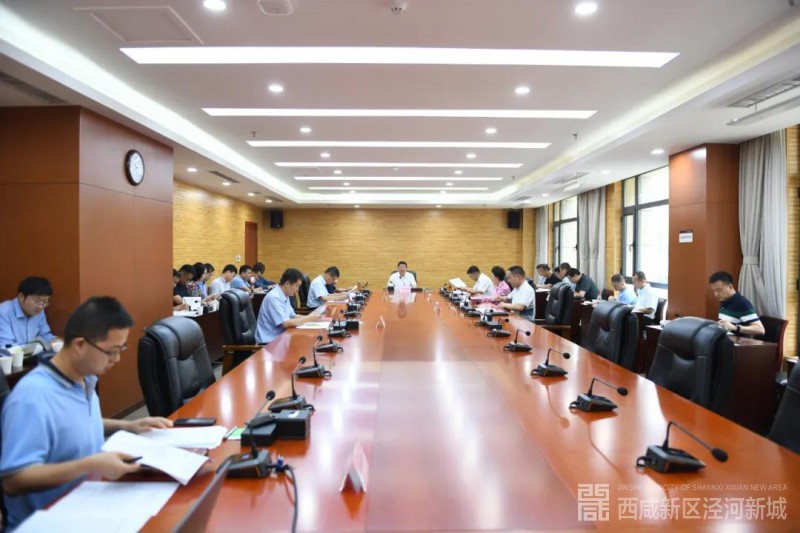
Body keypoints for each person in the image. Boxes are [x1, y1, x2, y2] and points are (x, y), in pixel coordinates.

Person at [0, 296, 172, 528]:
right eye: (111, 351)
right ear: (80, 345)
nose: (116, 359)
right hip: (49, 521)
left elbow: (73, 423)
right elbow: (13, 480)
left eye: (121, 349)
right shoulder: (32, 397)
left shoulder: (85, 378)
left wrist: (128, 426)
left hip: (89, 499)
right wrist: (90, 465)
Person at [255, 268, 324, 344]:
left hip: (282, 337)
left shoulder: (284, 295)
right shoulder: (274, 297)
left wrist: (311, 317)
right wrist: (308, 319)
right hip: (269, 342)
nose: (298, 290)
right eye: (297, 286)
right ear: (287, 284)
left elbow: (292, 316)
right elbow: (284, 323)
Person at [0, 277, 56, 349]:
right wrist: (36, 347)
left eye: (45, 302)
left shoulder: (39, 310)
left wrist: (54, 341)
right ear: (21, 297)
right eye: (36, 301)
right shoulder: (3, 312)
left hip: (33, 353)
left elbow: (45, 334)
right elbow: (6, 347)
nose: (40, 306)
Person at [709, 271, 765, 337]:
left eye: (719, 290)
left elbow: (760, 330)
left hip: (739, 342)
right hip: (726, 340)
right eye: (714, 290)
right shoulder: (724, 300)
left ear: (730, 286)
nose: (716, 294)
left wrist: (735, 327)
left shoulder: (741, 303)